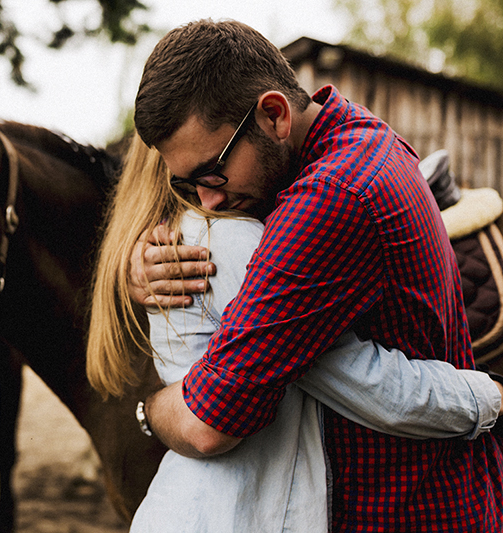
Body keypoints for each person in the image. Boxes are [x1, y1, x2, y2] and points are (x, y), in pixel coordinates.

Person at [121, 19, 503, 531]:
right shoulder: (358, 132)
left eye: (213, 172)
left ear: (274, 114)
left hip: (400, 511)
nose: (207, 199)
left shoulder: (326, 202)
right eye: (186, 185)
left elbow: (210, 421)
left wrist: (147, 410)